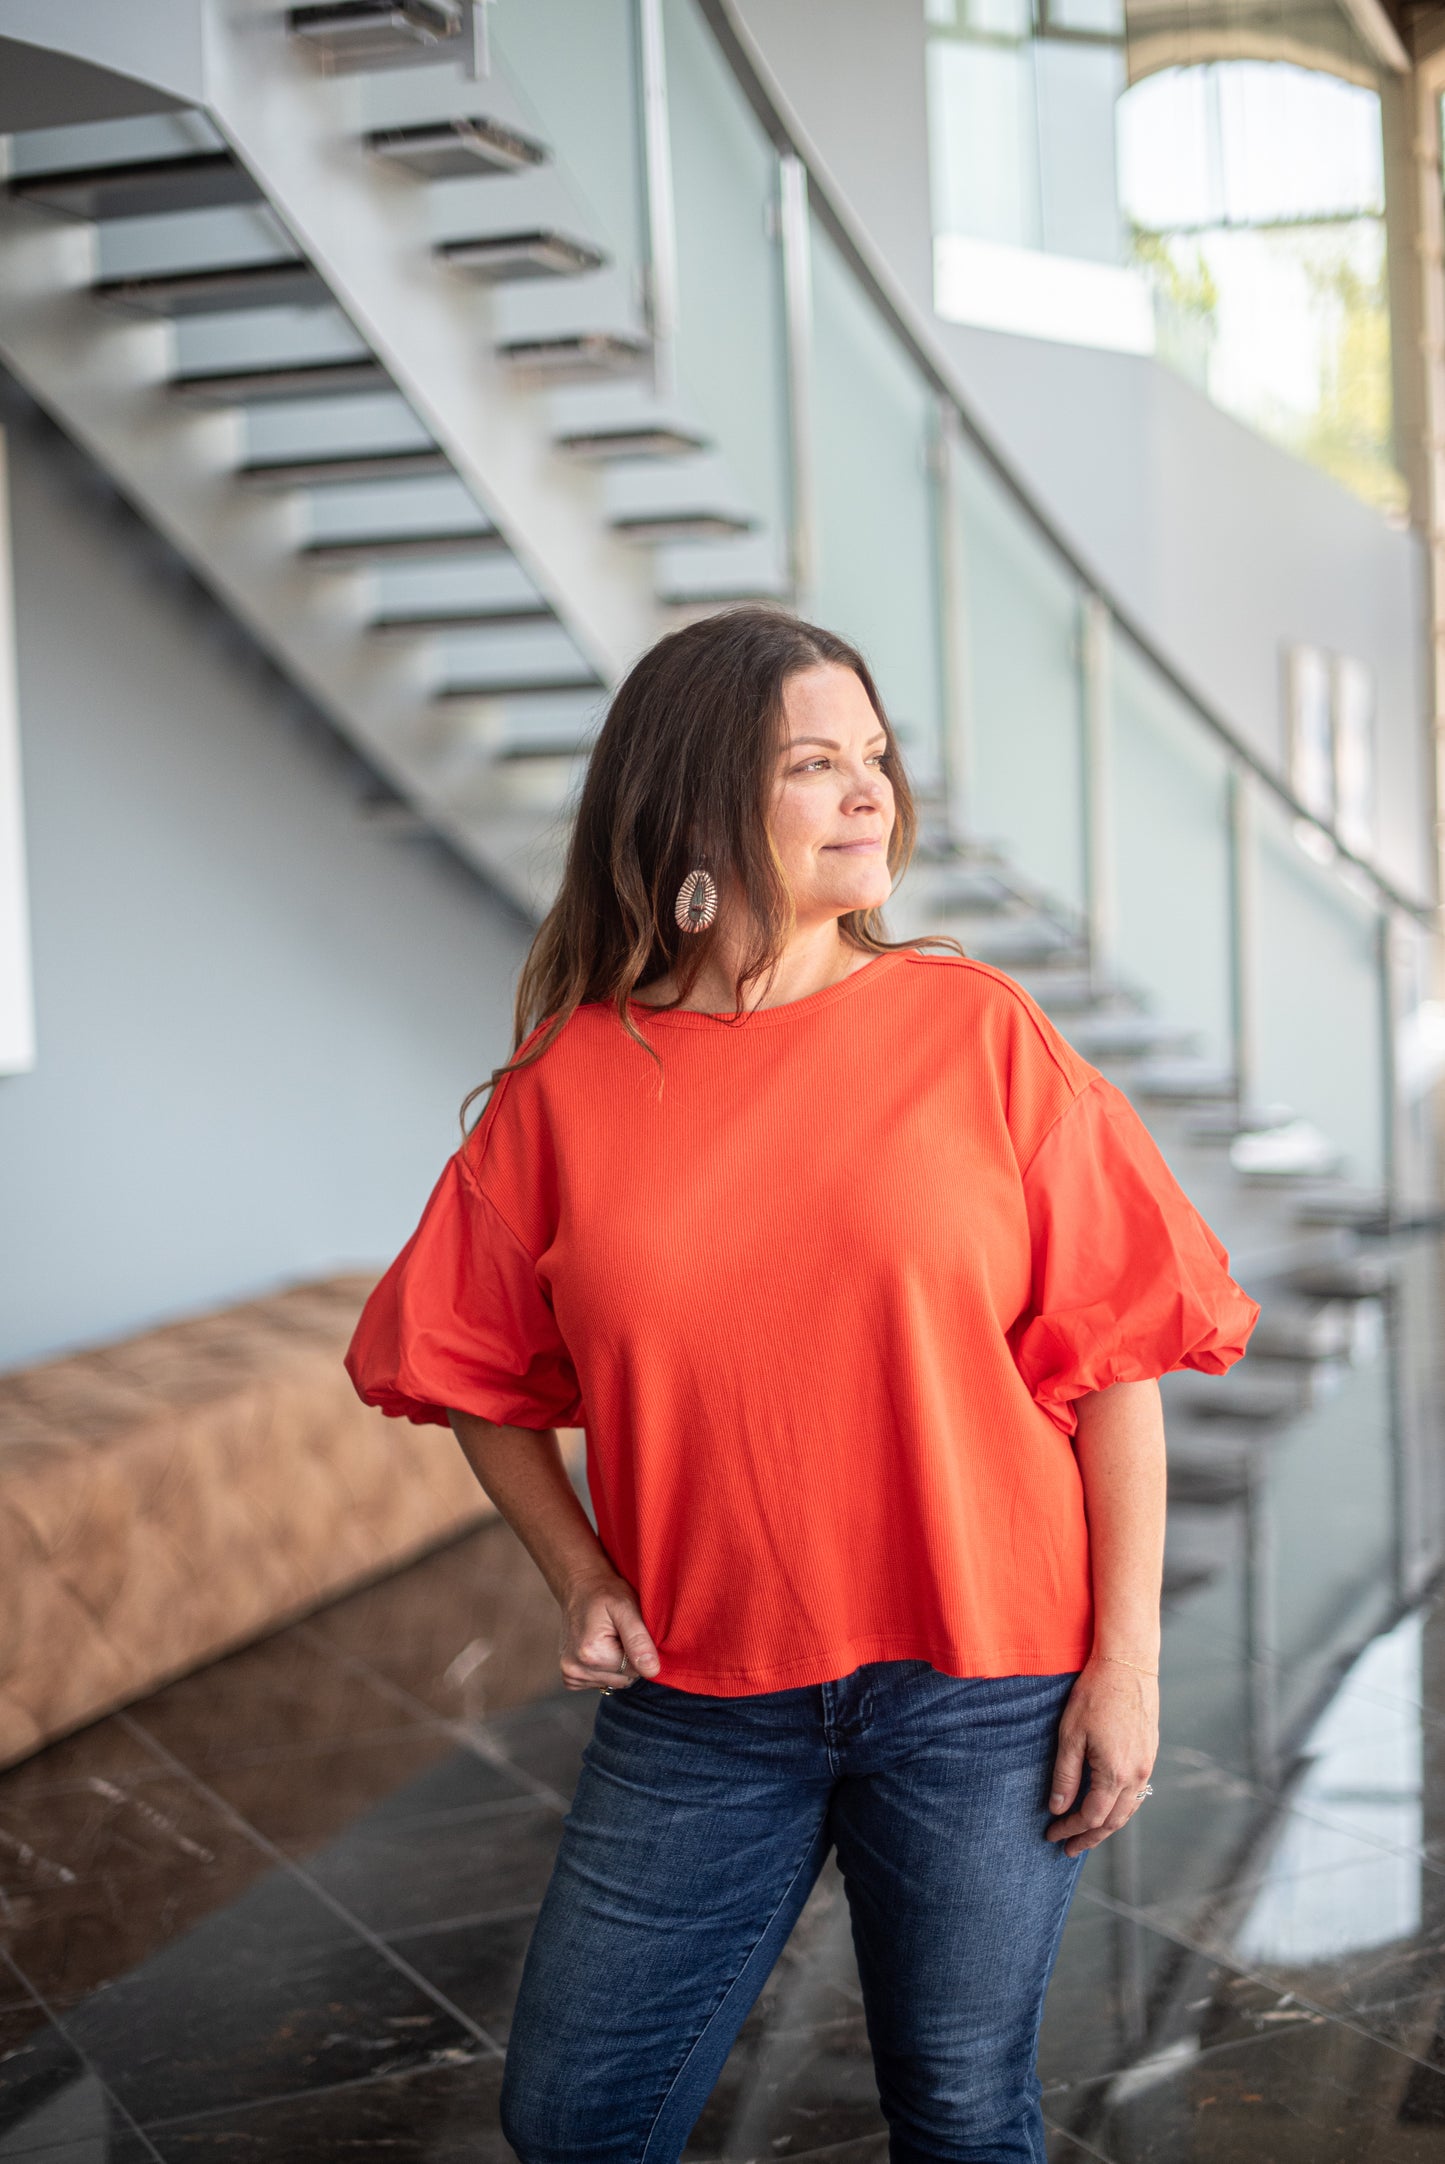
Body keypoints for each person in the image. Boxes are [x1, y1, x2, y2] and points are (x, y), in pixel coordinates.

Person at [344, 605, 1259, 2164]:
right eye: (814, 765)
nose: (869, 797)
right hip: (702, 1698)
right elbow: (460, 1359)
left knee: (962, 2110)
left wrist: (1125, 1669)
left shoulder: (974, 1032)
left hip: (985, 1682)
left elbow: (1115, 1364)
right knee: (571, 2116)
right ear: (698, 807)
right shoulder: (571, 1087)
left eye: (875, 760)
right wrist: (577, 1570)